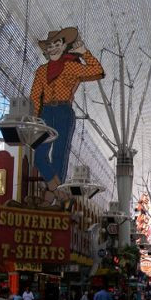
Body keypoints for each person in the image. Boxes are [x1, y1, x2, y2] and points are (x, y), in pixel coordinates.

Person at [30, 27, 105, 204]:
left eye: (57, 44)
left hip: (64, 111)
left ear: (64, 46)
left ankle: (50, 200)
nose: (54, 48)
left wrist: (84, 53)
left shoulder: (71, 66)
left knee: (59, 154)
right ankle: (58, 192)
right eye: (50, 46)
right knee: (39, 156)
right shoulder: (41, 71)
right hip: (46, 112)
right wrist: (35, 117)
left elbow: (98, 71)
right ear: (46, 50)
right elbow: (35, 95)